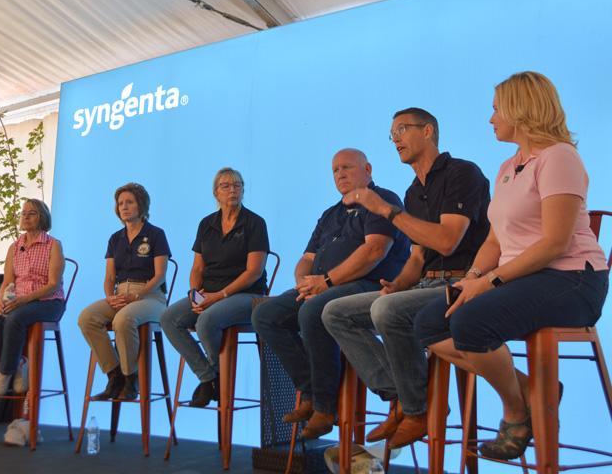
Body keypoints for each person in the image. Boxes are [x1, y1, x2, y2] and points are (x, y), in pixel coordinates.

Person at [413, 72, 609, 460]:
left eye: (496, 109)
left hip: (572, 280)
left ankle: (516, 412)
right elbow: (494, 240)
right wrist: (472, 278)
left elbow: (555, 243)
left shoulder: (560, 158)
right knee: (428, 322)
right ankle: (537, 390)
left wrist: (491, 283)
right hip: (523, 279)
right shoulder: (508, 166)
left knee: (471, 322)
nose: (490, 118)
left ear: (521, 109)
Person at [322, 107, 490, 448]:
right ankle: (402, 394)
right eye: (392, 133)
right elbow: (417, 257)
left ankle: (416, 410)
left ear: (427, 131)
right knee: (335, 312)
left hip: (462, 283)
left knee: (388, 312)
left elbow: (447, 240)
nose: (395, 138)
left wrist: (385, 210)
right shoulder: (414, 192)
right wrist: (397, 285)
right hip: (424, 284)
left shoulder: (463, 173)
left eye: (402, 129)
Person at [252, 148, 410, 439]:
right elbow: (306, 259)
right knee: (265, 315)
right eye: (335, 170)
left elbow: (374, 251)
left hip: (371, 285)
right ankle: (311, 391)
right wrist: (304, 284)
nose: (340, 174)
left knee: (314, 311)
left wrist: (325, 282)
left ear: (368, 169)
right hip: (324, 286)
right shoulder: (330, 213)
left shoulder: (383, 199)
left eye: (347, 167)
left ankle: (325, 408)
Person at [161, 167, 269, 407]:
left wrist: (219, 295)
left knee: (206, 320)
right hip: (209, 293)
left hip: (246, 294)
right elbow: (197, 268)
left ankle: (214, 377)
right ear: (215, 193)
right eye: (226, 186)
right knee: (169, 318)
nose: (233, 189)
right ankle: (209, 377)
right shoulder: (206, 224)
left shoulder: (254, 223)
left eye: (237, 185)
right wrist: (194, 293)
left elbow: (254, 272)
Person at [78, 183, 171, 401]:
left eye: (129, 202)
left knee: (122, 320)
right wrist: (111, 296)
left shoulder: (156, 234)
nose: (124, 207)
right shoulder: (115, 238)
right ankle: (115, 375)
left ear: (141, 205)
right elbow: (110, 277)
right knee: (87, 318)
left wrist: (137, 296)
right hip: (121, 294)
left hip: (150, 296)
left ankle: (131, 379)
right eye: (120, 203)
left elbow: (160, 275)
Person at [0, 199, 65, 395]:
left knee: (15, 318)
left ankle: (4, 373)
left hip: (49, 302)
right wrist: (1, 300)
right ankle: (18, 363)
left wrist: (23, 300)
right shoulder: (15, 247)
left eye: (32, 213)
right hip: (19, 301)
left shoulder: (53, 245)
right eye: (23, 213)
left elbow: (53, 285)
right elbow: (8, 280)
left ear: (42, 217)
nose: (26, 216)